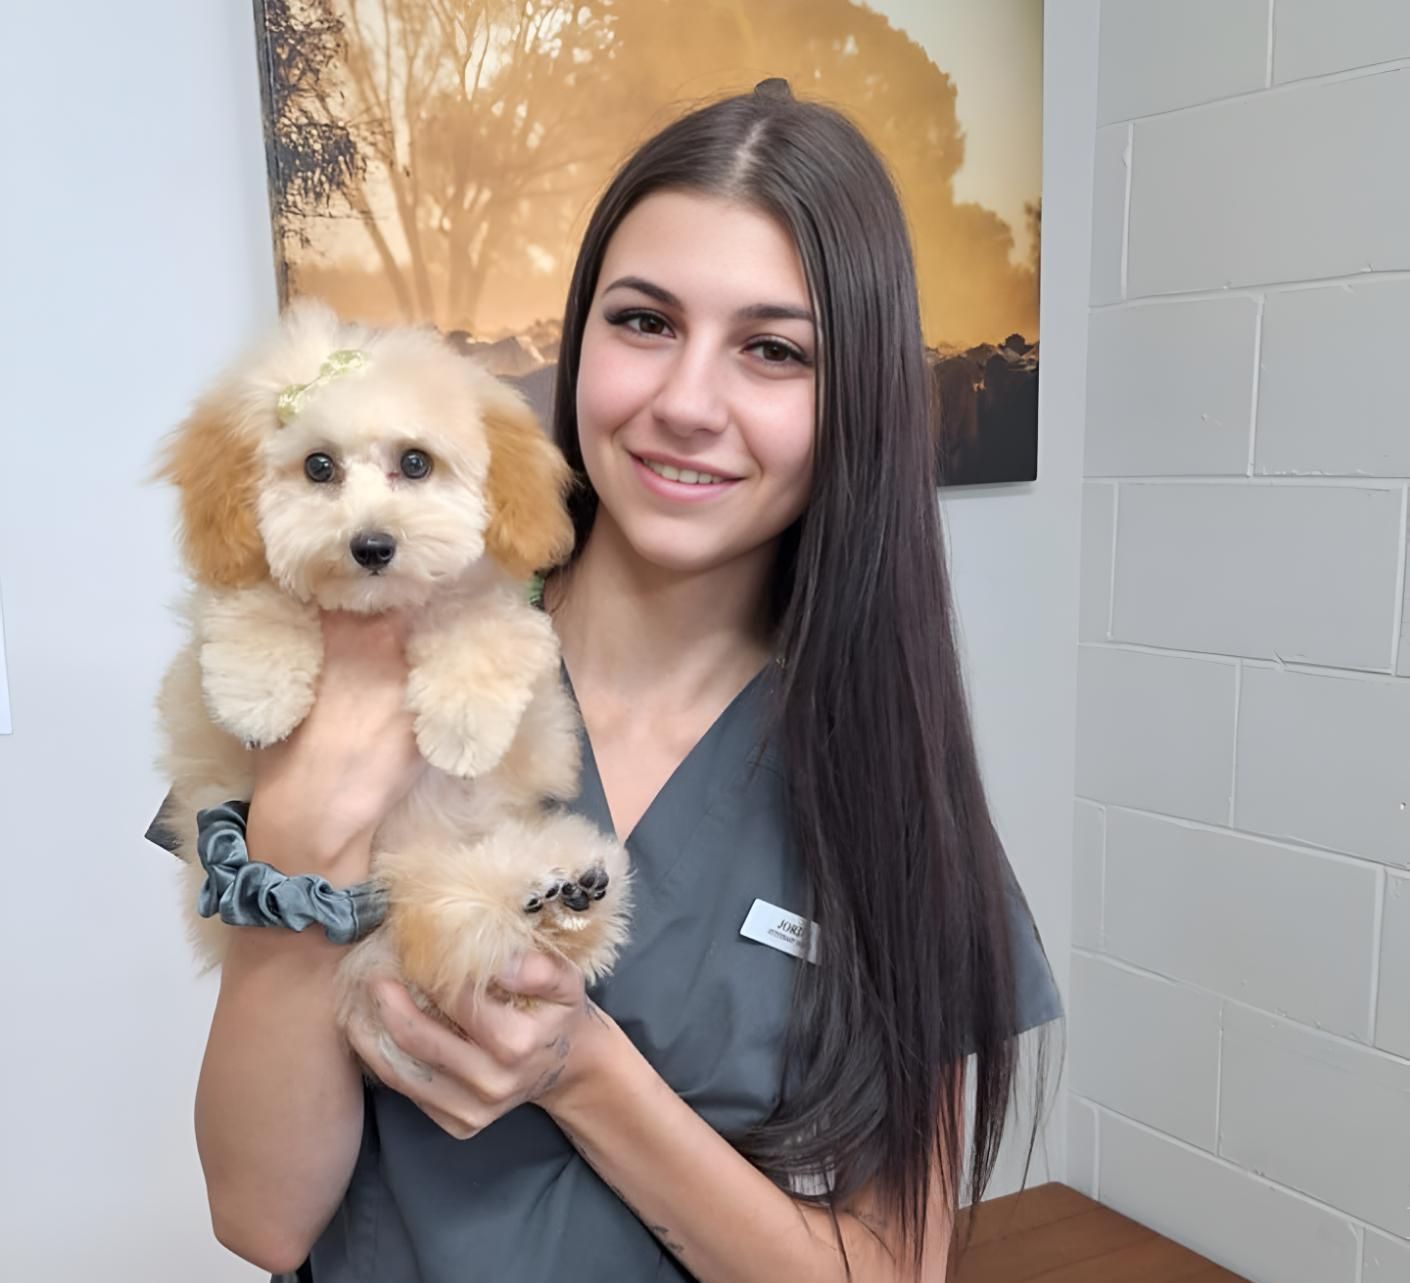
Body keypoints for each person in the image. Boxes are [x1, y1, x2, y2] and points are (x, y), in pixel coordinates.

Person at [168, 81, 1060, 1283]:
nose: (685, 404)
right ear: (580, 335)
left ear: (859, 401)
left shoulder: (890, 785)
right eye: (643, 322)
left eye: (772, 349)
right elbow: (260, 1214)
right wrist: (307, 807)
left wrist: (584, 1075)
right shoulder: (374, 645)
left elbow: (890, 1270)